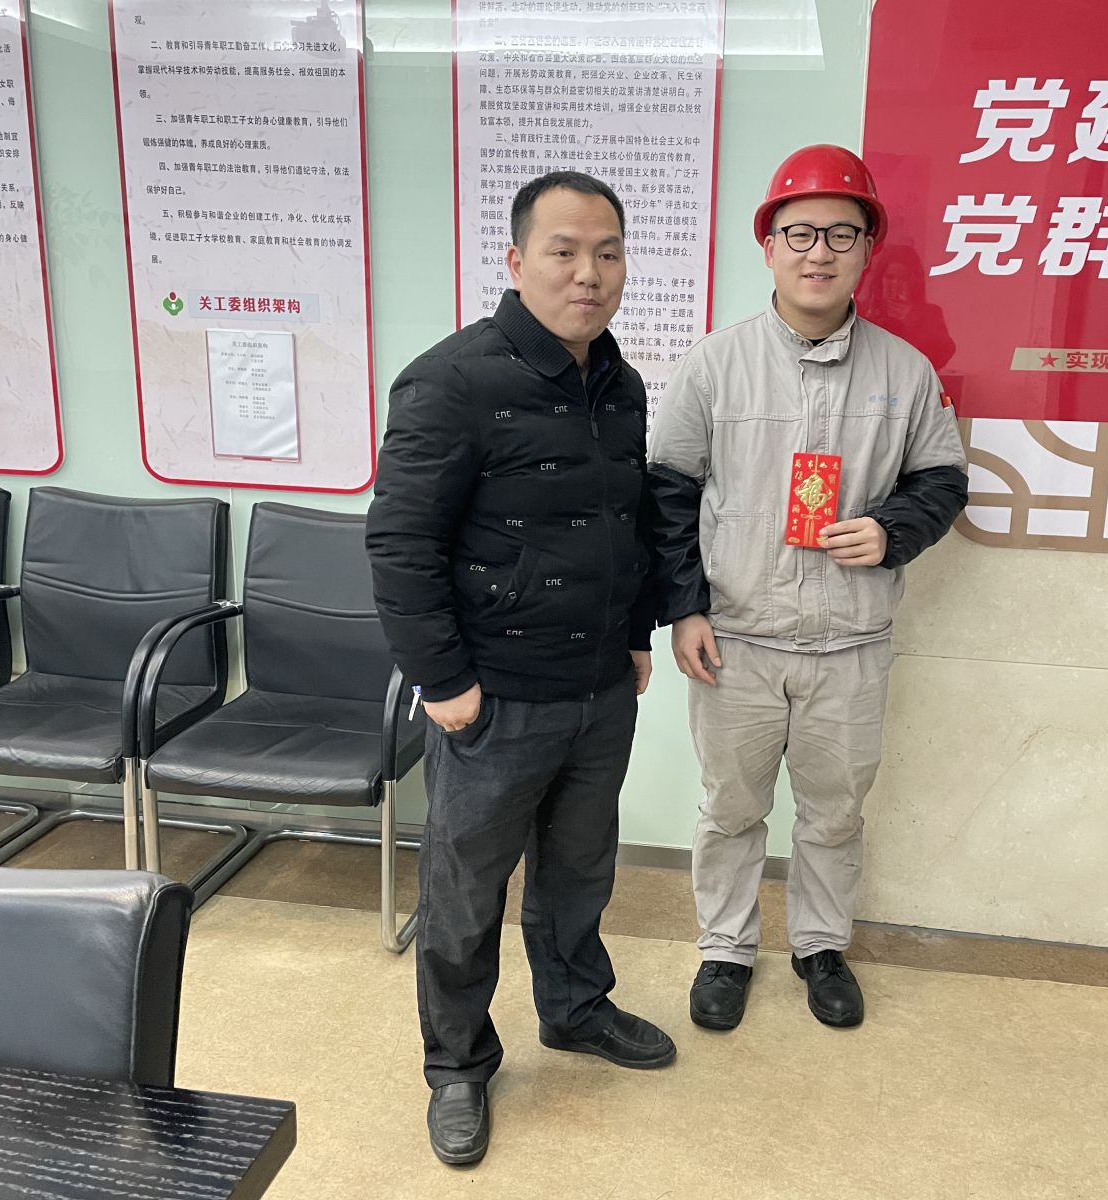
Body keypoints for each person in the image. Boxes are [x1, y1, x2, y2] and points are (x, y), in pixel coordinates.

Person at [366, 170, 674, 1168]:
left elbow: (627, 522)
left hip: (599, 690)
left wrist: (638, 632)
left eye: (607, 253)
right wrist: (443, 682)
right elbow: (401, 545)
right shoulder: (451, 382)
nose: (589, 273)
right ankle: (457, 1064)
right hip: (492, 700)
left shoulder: (619, 384)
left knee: (580, 872)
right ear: (515, 260)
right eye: (564, 250)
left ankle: (575, 1008)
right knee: (465, 893)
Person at [645, 144, 968, 1033]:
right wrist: (684, 608)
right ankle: (725, 948)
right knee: (731, 808)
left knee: (834, 812)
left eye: (841, 233)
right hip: (737, 642)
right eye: (799, 233)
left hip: (850, 645)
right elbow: (667, 495)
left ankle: (821, 946)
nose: (818, 251)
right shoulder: (715, 365)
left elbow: (942, 481)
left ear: (868, 249)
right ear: (769, 245)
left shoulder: (905, 372)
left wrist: (893, 530)